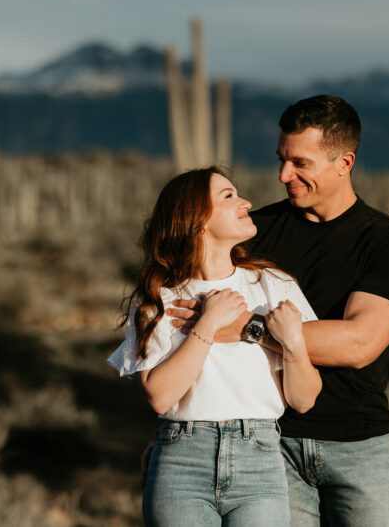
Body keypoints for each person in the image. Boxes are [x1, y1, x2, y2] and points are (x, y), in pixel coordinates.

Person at [169, 95, 389, 526]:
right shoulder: (252, 234)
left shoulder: (388, 242)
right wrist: (168, 441)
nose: (285, 175)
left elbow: (358, 343)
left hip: (359, 443)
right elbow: (187, 329)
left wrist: (244, 327)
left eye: (301, 163)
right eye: (282, 159)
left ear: (345, 162)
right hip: (265, 444)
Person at [107, 166, 322, 527]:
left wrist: (294, 344)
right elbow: (160, 397)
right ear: (196, 220)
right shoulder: (158, 298)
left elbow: (304, 399)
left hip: (261, 460)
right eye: (229, 196)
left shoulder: (273, 285)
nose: (246, 202)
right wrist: (207, 323)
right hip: (181, 462)